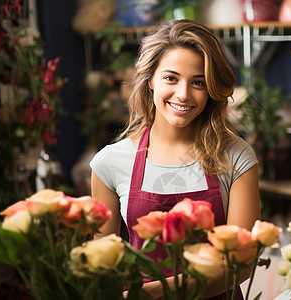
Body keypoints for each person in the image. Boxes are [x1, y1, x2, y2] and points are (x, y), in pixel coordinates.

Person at [90, 19, 261, 299]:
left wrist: (154, 293)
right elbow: (104, 267)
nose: (183, 94)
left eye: (198, 83)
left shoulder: (236, 156)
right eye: (171, 78)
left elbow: (242, 264)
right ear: (150, 81)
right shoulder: (109, 163)